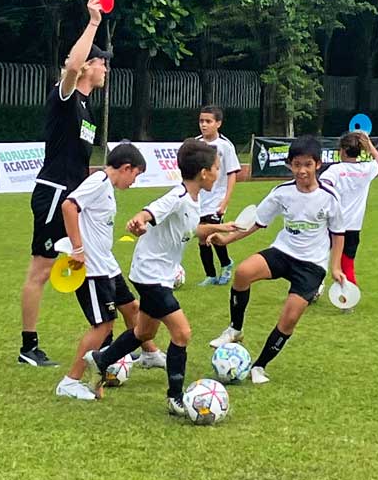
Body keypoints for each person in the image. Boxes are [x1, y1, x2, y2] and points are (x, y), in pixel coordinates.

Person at [82, 140, 237, 415]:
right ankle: (175, 398)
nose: (218, 173)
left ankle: (100, 360)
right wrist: (139, 221)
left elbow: (191, 228)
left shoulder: (191, 199)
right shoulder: (176, 197)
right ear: (203, 173)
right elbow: (150, 212)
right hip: (150, 275)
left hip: (160, 275)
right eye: (216, 168)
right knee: (182, 332)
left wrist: (219, 227)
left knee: (144, 332)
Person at [18, 0, 110, 367]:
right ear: (88, 66)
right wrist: (92, 23)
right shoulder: (66, 97)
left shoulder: (89, 109)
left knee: (86, 258)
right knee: (39, 270)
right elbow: (70, 66)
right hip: (55, 194)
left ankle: (104, 331)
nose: (105, 69)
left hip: (74, 199)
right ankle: (28, 347)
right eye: (101, 63)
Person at [207, 136, 345, 384]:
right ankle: (235, 329)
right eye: (296, 164)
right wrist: (226, 239)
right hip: (283, 252)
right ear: (290, 165)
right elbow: (257, 222)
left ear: (318, 165)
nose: (302, 170)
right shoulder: (282, 192)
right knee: (242, 272)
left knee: (289, 318)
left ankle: (259, 366)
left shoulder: (329, 197)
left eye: (307, 164)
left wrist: (335, 267)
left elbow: (338, 233)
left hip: (311, 266)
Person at [55, 143, 167, 401]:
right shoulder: (99, 180)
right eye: (135, 175)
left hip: (107, 265)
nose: (134, 182)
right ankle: (70, 381)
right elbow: (68, 206)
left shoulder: (106, 186)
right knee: (103, 326)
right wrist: (78, 249)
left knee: (132, 309)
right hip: (92, 269)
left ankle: (149, 353)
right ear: (126, 168)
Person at [319, 131, 378, 285]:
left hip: (333, 225)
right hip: (354, 226)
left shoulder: (336, 170)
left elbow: (323, 186)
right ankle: (349, 300)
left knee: (318, 258)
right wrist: (370, 145)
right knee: (347, 265)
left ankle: (313, 289)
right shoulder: (366, 169)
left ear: (342, 150)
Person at [196, 105, 241, 286]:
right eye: (201, 121)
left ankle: (226, 263)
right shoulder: (195, 143)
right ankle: (210, 275)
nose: (204, 125)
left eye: (208, 121)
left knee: (213, 232)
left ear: (218, 123)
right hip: (199, 198)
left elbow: (232, 173)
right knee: (201, 236)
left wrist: (225, 200)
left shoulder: (225, 146)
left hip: (217, 199)